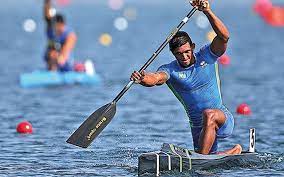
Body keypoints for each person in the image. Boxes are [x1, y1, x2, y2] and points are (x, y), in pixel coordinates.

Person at [130, 0, 242, 155]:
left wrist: (207, 11)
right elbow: (155, 79)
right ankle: (233, 151)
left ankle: (201, 159)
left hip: (221, 117)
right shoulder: (170, 70)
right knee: (209, 160)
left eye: (187, 51)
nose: (184, 56)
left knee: (209, 114)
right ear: (173, 54)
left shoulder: (207, 55)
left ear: (193, 47)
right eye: (179, 54)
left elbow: (224, 37)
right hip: (198, 127)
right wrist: (142, 78)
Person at [44, 0, 77, 71]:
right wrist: (47, 2)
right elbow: (46, 16)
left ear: (63, 25)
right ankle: (52, 70)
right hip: (51, 60)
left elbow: (66, 51)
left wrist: (59, 58)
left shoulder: (70, 35)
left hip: (65, 62)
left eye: (59, 27)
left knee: (53, 54)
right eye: (55, 27)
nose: (57, 29)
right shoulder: (51, 30)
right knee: (51, 53)